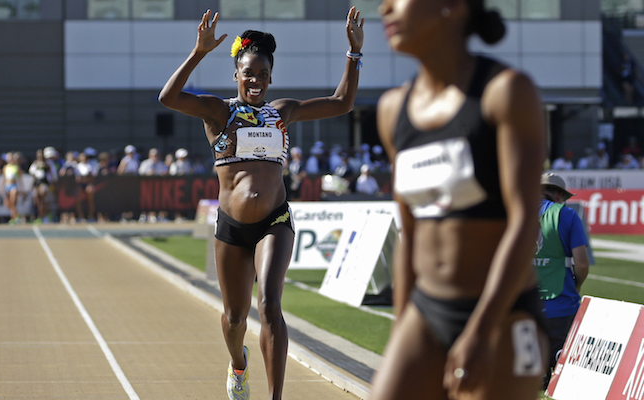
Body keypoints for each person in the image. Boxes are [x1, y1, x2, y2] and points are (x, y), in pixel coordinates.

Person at [159, 7, 363, 399]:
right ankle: (238, 364)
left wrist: (354, 53)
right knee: (235, 318)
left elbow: (342, 102)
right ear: (236, 74)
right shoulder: (220, 113)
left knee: (270, 304)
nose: (256, 81)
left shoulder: (281, 113)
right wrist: (199, 52)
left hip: (275, 221)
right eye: (248, 73)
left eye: (263, 75)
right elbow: (169, 98)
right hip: (232, 229)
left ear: (271, 78)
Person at [367, 1, 548, 400]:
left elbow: (523, 222)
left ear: (451, 6)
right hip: (427, 310)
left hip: (504, 313)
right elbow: (409, 233)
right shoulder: (391, 109)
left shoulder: (507, 91)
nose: (384, 7)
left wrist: (482, 330)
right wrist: (402, 329)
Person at [537, 173, 589, 389]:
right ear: (559, 194)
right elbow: (582, 264)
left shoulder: (515, 211)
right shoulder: (566, 215)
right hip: (560, 302)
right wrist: (577, 285)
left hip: (524, 302)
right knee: (562, 366)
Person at [0, 152, 25, 224]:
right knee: (8, 203)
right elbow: (3, 179)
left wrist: (22, 189)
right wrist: (0, 188)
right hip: (7, 186)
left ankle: (14, 218)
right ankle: (16, 216)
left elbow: (20, 180)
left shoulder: (16, 167)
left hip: (14, 186)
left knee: (13, 203)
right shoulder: (5, 167)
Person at [29, 149, 54, 223]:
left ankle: (45, 215)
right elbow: (33, 175)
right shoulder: (35, 164)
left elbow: (51, 175)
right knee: (37, 200)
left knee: (43, 198)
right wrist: (32, 185)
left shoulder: (47, 164)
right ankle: (40, 215)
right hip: (37, 182)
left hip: (44, 182)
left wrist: (51, 183)